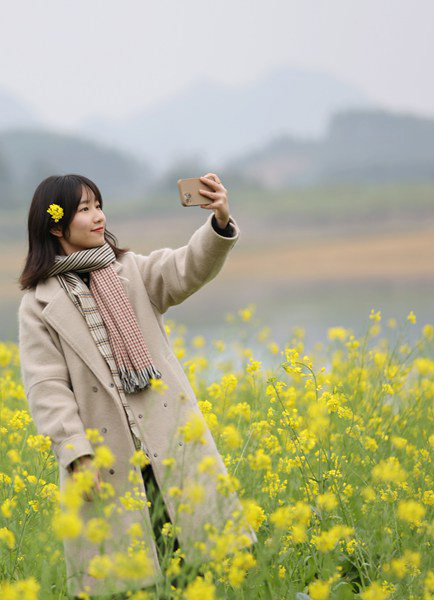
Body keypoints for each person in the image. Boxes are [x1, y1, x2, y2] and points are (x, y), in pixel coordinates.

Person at [17, 173, 256, 598]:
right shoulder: (39, 302)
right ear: (56, 226)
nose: (98, 216)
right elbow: (46, 385)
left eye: (98, 205)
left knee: (193, 567)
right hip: (106, 458)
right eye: (85, 209)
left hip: (166, 444)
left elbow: (185, 267)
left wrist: (219, 221)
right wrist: (75, 451)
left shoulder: (129, 270)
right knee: (132, 579)